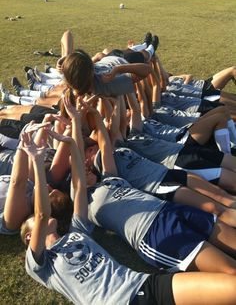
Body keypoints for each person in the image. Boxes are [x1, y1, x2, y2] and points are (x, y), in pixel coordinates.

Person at [21, 96, 236, 305]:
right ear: (30, 235)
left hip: (165, 218)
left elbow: (99, 149)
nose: (85, 168)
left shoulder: (81, 225)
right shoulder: (43, 262)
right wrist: (37, 163)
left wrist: (75, 130)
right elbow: (43, 213)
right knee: (230, 273)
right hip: (153, 234)